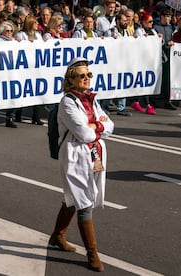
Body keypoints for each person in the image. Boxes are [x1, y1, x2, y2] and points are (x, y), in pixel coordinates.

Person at [48, 57, 114, 272]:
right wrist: (97, 125)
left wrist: (95, 125)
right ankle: (92, 253)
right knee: (84, 202)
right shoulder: (67, 102)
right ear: (71, 80)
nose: (87, 78)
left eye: (89, 75)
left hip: (94, 154)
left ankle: (57, 236)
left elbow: (111, 125)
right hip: (75, 155)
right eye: (81, 76)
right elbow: (84, 133)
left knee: (73, 198)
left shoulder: (92, 100)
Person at [0, 21, 18, 128]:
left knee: (12, 95)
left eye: (11, 31)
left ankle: (9, 117)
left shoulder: (14, 41)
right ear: (2, 32)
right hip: (0, 73)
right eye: (7, 31)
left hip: (11, 72)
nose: (10, 33)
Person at [132, 11, 160, 115]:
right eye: (149, 21)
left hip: (151, 60)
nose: (151, 24)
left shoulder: (153, 31)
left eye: (152, 22)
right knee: (143, 81)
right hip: (142, 60)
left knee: (146, 81)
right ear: (143, 22)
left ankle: (138, 101)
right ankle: (147, 104)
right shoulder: (139, 31)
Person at [154, 8, 176, 110]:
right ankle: (156, 99)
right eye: (167, 16)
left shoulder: (170, 28)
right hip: (159, 56)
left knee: (168, 79)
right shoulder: (156, 27)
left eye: (170, 17)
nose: (168, 19)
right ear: (162, 16)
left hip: (169, 56)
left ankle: (167, 100)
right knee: (159, 78)